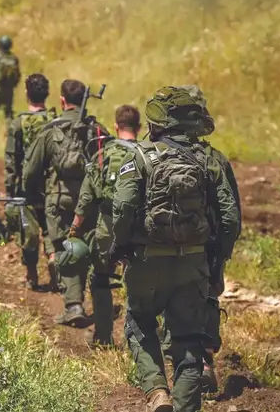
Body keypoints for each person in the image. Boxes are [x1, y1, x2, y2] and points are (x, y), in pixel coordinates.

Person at [110, 86, 241, 412]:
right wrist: (216, 261)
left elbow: (123, 208)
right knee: (188, 342)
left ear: (157, 122)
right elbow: (230, 219)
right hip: (194, 265)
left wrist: (120, 247)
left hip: (147, 263)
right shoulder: (211, 159)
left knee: (139, 322)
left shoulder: (139, 157)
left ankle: (157, 391)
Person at [23, 79, 109, 327]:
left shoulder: (51, 130)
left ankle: (73, 305)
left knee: (66, 249)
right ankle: (101, 314)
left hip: (59, 200)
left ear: (62, 100)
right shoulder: (97, 130)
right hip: (91, 202)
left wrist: (34, 195)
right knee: (90, 249)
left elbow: (30, 171)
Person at [66, 104, 142, 347]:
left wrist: (75, 226)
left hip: (108, 225)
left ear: (116, 126)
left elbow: (87, 196)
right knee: (142, 282)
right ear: (139, 127)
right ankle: (141, 340)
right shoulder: (147, 154)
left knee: (100, 278)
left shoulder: (103, 153)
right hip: (140, 225)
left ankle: (103, 336)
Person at [2, 74, 59, 291]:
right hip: (52, 186)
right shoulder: (55, 121)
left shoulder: (18, 123)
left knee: (28, 231)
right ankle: (53, 258)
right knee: (51, 228)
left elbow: (11, 160)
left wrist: (10, 190)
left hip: (27, 188)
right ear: (47, 94)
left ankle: (32, 274)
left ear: (27, 93)